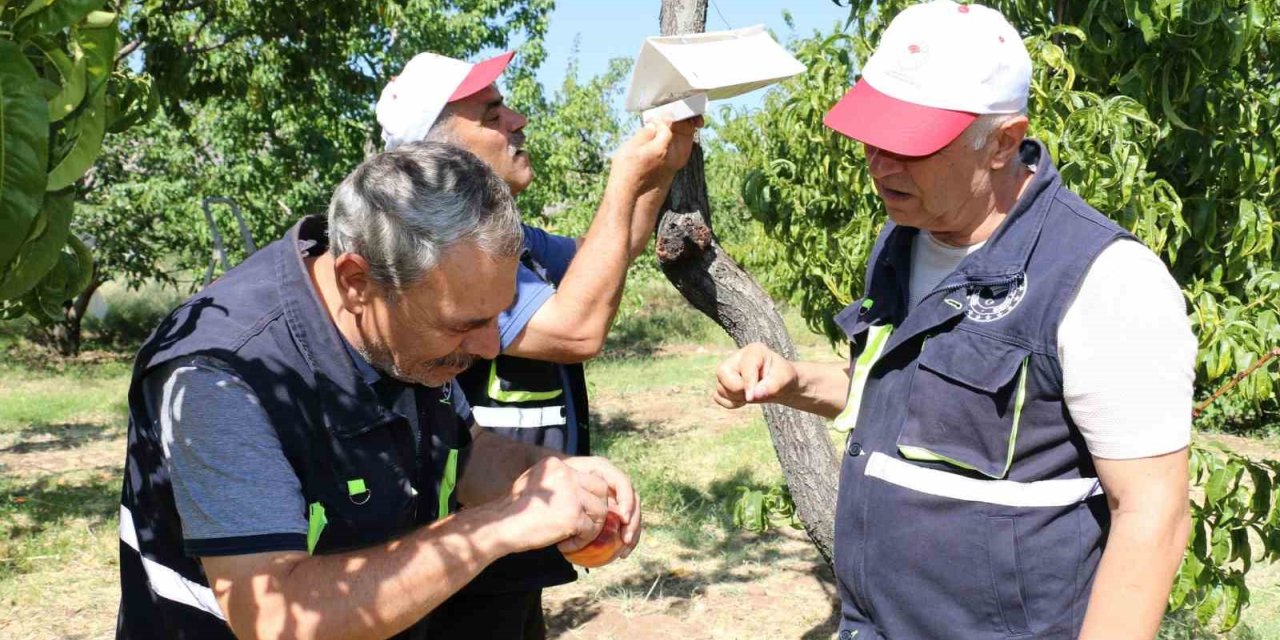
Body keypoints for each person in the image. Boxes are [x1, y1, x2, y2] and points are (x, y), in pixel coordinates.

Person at [713, 2, 1195, 638]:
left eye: (910, 146)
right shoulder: (903, 238)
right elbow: (909, 396)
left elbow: (1153, 514)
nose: (879, 165)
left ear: (1002, 141)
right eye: (873, 136)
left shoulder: (1104, 280)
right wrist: (794, 380)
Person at [116, 142, 641, 639]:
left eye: (498, 315)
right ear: (356, 282)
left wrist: (547, 475)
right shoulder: (220, 376)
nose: (487, 347)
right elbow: (276, 619)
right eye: (463, 323)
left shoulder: (399, 330)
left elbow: (465, 451)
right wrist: (499, 525)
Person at [375, 51, 699, 636]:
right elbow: (577, 328)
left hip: (517, 528)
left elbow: (604, 258)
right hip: (458, 548)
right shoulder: (428, 251)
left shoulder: (510, 241)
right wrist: (625, 176)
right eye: (492, 112)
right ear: (437, 149)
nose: (518, 120)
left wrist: (663, 168)